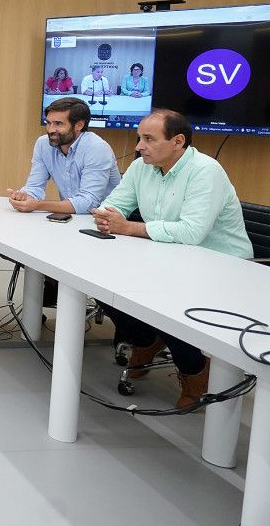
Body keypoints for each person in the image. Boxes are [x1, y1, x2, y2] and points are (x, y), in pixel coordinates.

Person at [93, 108, 252, 408]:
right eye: (140, 138)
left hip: (222, 266)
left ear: (178, 141)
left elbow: (192, 232)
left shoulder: (206, 171)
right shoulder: (142, 167)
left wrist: (128, 227)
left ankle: (195, 370)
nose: (139, 146)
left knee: (166, 305)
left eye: (149, 139)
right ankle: (146, 340)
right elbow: (113, 205)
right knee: (99, 283)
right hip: (169, 257)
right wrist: (105, 216)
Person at [7, 97, 121, 215]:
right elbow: (35, 186)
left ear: (79, 125)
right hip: (71, 218)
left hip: (104, 220)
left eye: (58, 124)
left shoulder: (97, 148)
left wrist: (37, 205)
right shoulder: (43, 144)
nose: (51, 130)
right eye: (49, 123)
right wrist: (24, 197)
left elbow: (89, 203)